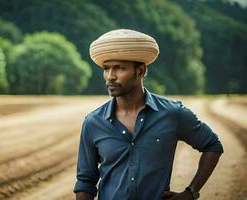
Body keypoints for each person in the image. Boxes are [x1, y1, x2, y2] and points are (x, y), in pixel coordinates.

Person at [73, 29, 223, 200]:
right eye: (106, 69)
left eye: (119, 68)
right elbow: (85, 182)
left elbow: (213, 145)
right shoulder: (93, 122)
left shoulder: (172, 113)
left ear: (141, 71)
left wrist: (190, 193)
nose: (110, 76)